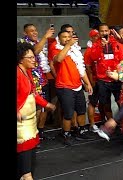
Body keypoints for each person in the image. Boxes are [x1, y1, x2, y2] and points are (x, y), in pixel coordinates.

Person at [17, 42, 56, 180]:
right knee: (25, 147)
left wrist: (47, 104)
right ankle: (26, 175)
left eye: (34, 56)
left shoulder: (27, 72)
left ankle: (24, 174)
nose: (34, 59)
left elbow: (33, 93)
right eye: (30, 57)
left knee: (30, 148)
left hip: (30, 119)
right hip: (20, 122)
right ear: (21, 59)